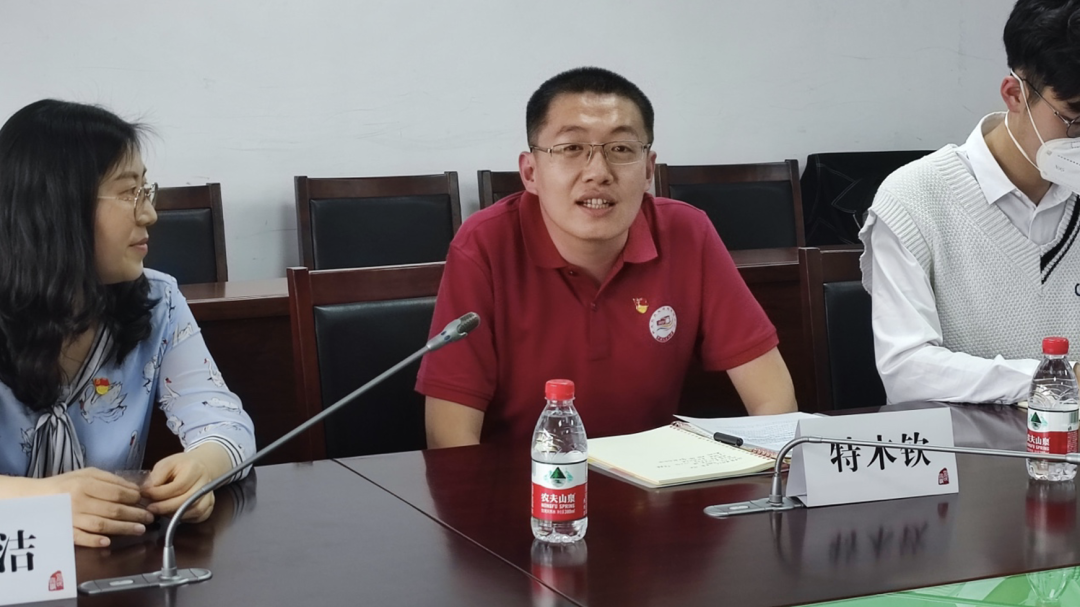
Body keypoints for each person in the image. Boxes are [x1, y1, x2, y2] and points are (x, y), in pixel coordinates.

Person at [418, 67, 797, 448]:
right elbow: (449, 436)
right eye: (571, 149)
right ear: (530, 172)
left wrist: (775, 472)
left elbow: (773, 399)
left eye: (621, 149)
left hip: (654, 477)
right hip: (524, 479)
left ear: (648, 170)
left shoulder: (687, 232)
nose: (598, 173)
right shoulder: (484, 244)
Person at [0, 99, 256, 547]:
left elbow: (224, 421)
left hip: (113, 564)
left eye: (146, 190)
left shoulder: (158, 300)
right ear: (56, 205)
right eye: (128, 193)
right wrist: (41, 500)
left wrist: (202, 467)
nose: (149, 213)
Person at [860, 0, 1080, 404]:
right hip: (970, 442)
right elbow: (907, 370)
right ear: (1015, 94)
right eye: (1075, 118)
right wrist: (1058, 379)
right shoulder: (913, 199)